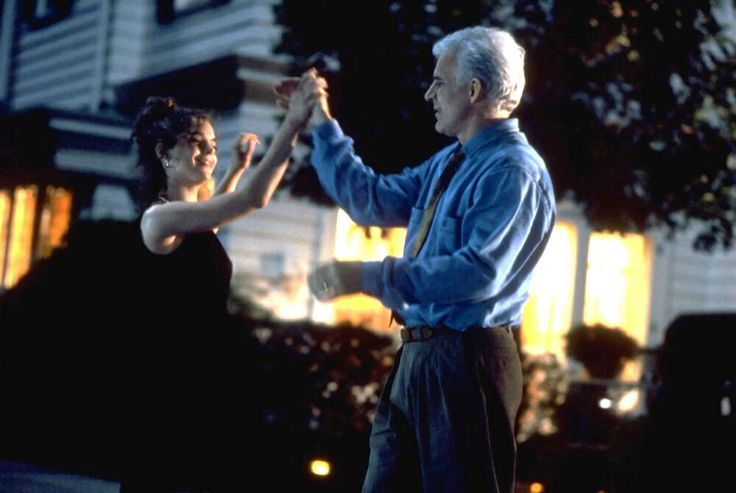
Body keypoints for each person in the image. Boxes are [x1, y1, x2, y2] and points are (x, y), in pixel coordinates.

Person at [276, 26, 555, 493]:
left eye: (439, 82)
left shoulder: (512, 170)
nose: (429, 94)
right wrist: (321, 123)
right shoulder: (452, 161)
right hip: (422, 356)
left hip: (467, 360)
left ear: (473, 90)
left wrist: (369, 276)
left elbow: (478, 273)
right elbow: (370, 200)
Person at [118, 72, 321, 492]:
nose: (208, 152)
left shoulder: (193, 221)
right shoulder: (160, 218)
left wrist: (235, 168)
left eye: (211, 144)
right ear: (164, 153)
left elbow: (214, 213)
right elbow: (250, 200)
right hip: (169, 391)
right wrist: (293, 125)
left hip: (202, 384)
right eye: (196, 143)